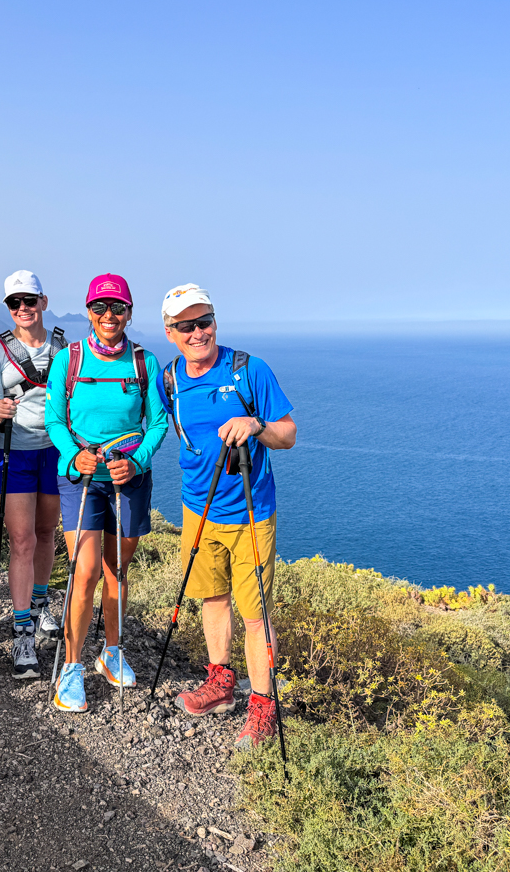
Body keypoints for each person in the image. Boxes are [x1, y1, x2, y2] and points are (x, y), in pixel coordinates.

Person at [159, 284, 296, 749]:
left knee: (256, 615)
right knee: (211, 597)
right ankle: (221, 683)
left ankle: (263, 706)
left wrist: (256, 425)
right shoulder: (170, 379)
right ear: (170, 332)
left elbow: (288, 434)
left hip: (251, 513)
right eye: (186, 325)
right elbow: (161, 427)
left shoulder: (249, 371)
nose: (198, 332)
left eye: (205, 321)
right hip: (196, 508)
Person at [44, 274, 168, 712]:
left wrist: (136, 462)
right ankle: (72, 667)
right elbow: (55, 420)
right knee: (86, 572)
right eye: (100, 308)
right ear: (88, 311)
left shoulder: (143, 362)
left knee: (118, 570)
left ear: (130, 312)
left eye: (118, 308)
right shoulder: (68, 360)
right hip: (81, 476)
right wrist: (74, 457)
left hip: (129, 476)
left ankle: (111, 653)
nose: (109, 316)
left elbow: (157, 424)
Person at [0, 271, 66, 679]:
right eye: (14, 303)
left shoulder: (66, 347)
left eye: (29, 300)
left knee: (47, 533)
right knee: (22, 540)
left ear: (43, 302)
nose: (23, 309)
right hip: (14, 453)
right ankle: (21, 632)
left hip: (56, 450)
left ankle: (39, 602)